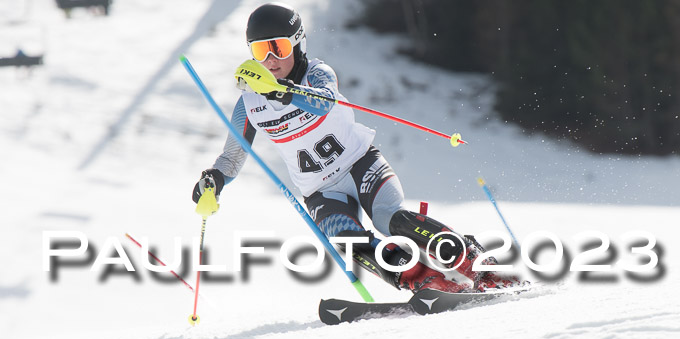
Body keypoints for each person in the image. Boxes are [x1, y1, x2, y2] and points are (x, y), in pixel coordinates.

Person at [192, 2, 519, 294]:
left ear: (297, 43)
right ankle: (425, 280)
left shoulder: (317, 73)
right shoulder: (249, 103)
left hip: (360, 165)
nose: (272, 60)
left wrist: (281, 91)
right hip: (321, 191)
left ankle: (477, 264)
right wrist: (214, 180)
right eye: (261, 51)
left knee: (391, 219)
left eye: (278, 47)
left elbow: (324, 102)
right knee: (350, 242)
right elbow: (232, 156)